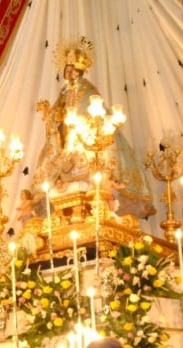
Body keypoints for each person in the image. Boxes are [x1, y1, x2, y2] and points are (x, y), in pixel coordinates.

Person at [32, 36, 154, 219]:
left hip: (84, 138)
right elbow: (58, 110)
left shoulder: (88, 89)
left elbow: (94, 113)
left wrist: (79, 123)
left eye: (71, 70)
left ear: (79, 71)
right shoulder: (64, 91)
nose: (68, 74)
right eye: (66, 70)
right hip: (66, 137)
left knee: (94, 165)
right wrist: (50, 113)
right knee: (53, 164)